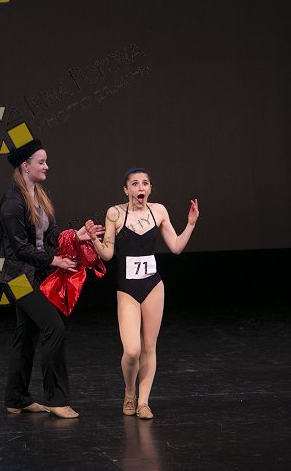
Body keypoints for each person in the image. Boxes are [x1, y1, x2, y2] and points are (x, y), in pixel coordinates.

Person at [0, 139, 101, 419]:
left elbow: (52, 234)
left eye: (45, 161)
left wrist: (75, 236)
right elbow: (20, 248)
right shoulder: (12, 202)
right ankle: (56, 399)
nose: (46, 166)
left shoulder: (40, 195)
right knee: (53, 328)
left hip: (36, 274)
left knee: (26, 335)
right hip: (18, 277)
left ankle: (16, 398)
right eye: (41, 162)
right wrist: (55, 261)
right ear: (25, 166)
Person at [85, 168, 199, 419]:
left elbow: (176, 246)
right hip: (127, 288)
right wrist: (94, 239)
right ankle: (129, 392)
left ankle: (144, 402)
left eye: (145, 183)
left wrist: (190, 224)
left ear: (149, 188)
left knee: (149, 346)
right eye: (135, 184)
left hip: (153, 286)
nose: (141, 188)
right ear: (126, 189)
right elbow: (108, 254)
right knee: (132, 350)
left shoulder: (158, 211)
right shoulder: (115, 213)